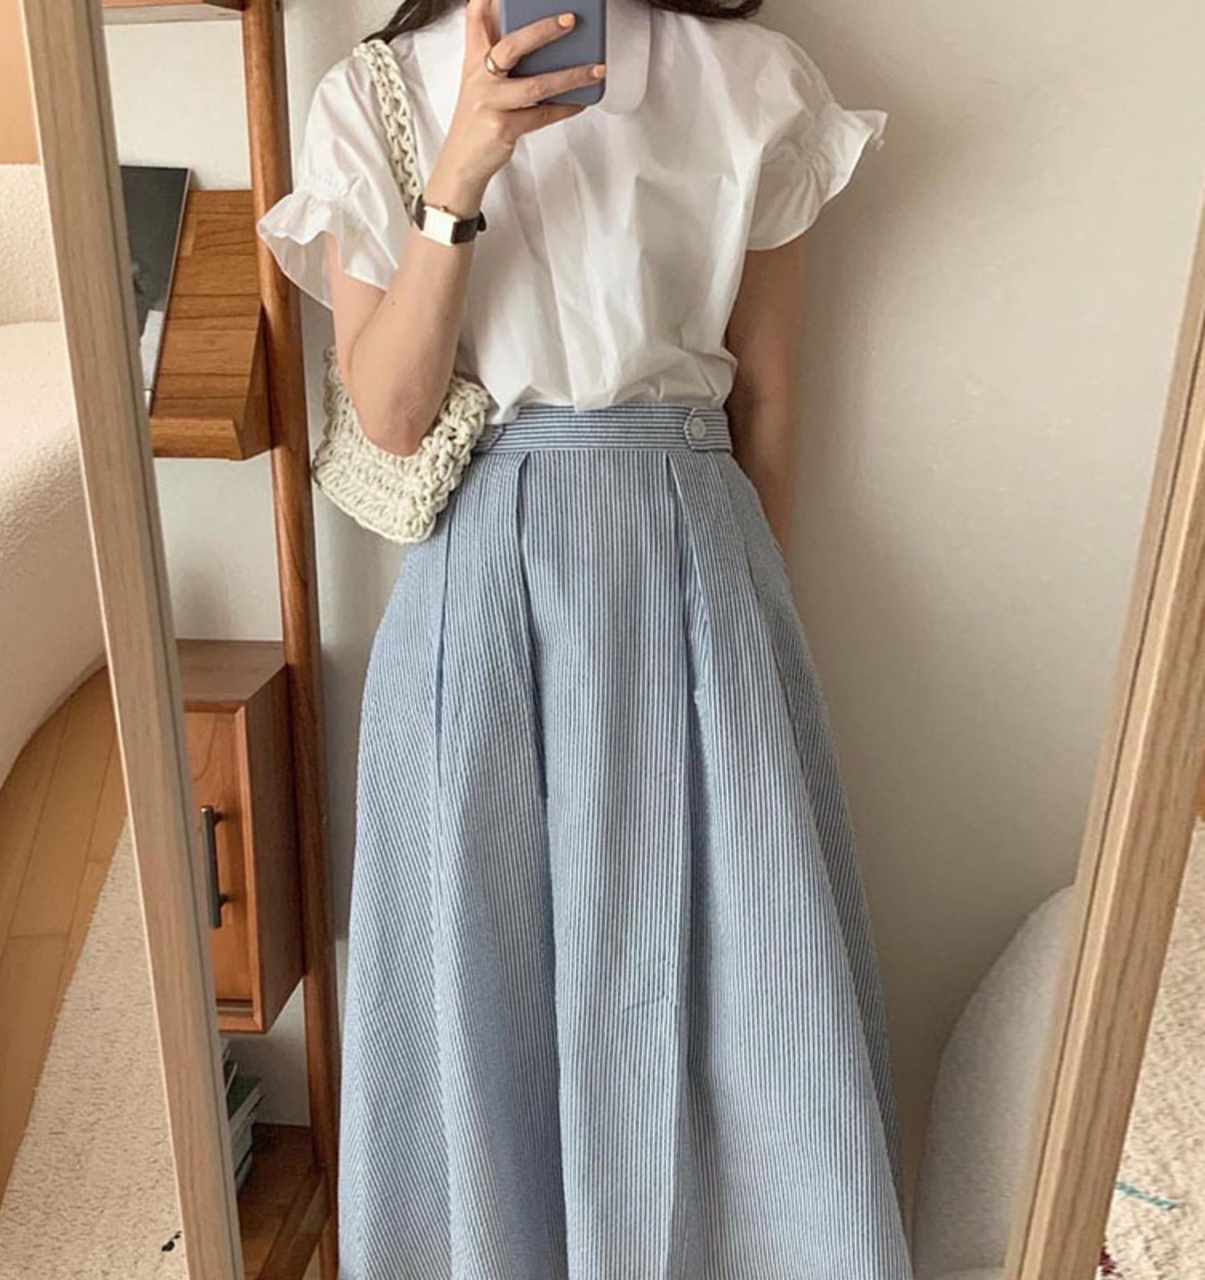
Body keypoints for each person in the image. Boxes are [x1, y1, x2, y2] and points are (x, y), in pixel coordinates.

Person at [257, 0, 910, 1274]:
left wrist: (747, 621)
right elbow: (388, 414)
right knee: (479, 976)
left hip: (693, 561)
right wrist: (458, 175)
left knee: (745, 974)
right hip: (477, 581)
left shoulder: (750, 79)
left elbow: (768, 396)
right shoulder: (373, 93)